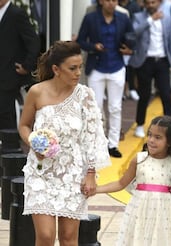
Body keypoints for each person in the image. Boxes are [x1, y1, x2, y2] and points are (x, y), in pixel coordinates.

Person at [18, 41, 111, 246]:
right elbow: (24, 126)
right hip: (40, 172)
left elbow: (92, 137)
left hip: (73, 174)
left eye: (80, 67)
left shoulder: (85, 95)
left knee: (69, 239)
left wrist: (90, 175)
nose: (78, 73)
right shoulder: (36, 92)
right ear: (56, 69)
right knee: (45, 235)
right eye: (72, 68)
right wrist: (33, 141)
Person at [95, 116, 171, 245]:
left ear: (170, 142)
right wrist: (96, 189)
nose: (151, 140)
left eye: (158, 137)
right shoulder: (139, 159)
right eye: (149, 135)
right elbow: (121, 183)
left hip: (164, 215)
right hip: (140, 213)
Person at [77, 0, 134, 158]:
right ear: (101, 1)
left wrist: (130, 48)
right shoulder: (90, 18)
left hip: (117, 66)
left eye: (114, 0)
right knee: (96, 108)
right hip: (96, 67)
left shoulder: (123, 18)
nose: (111, 3)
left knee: (115, 107)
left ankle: (113, 144)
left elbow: (132, 37)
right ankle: (98, 144)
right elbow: (81, 41)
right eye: (108, 0)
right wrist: (93, 47)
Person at [129, 0, 171, 138]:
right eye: (148, 2)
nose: (151, 5)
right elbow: (134, 33)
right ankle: (140, 124)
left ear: (159, 3)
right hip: (145, 61)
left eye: (153, 2)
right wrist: (150, 20)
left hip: (162, 61)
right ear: (144, 4)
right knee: (144, 95)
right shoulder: (139, 17)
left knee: (165, 95)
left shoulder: (167, 18)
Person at [0, 0, 40, 130]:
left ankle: (10, 146)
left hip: (9, 73)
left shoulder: (16, 13)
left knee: (6, 111)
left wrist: (27, 66)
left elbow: (33, 41)